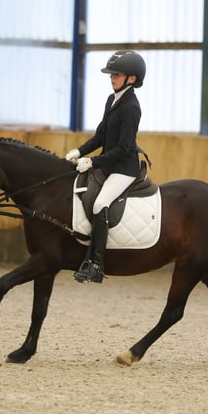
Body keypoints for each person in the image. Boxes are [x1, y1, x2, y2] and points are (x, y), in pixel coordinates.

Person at [65, 50, 146, 283]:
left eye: (116, 75)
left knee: (100, 204)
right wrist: (80, 151)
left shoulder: (131, 107)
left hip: (123, 169)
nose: (112, 78)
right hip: (109, 164)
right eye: (111, 75)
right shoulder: (112, 99)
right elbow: (101, 135)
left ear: (132, 78)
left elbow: (124, 148)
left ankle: (97, 265)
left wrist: (93, 161)